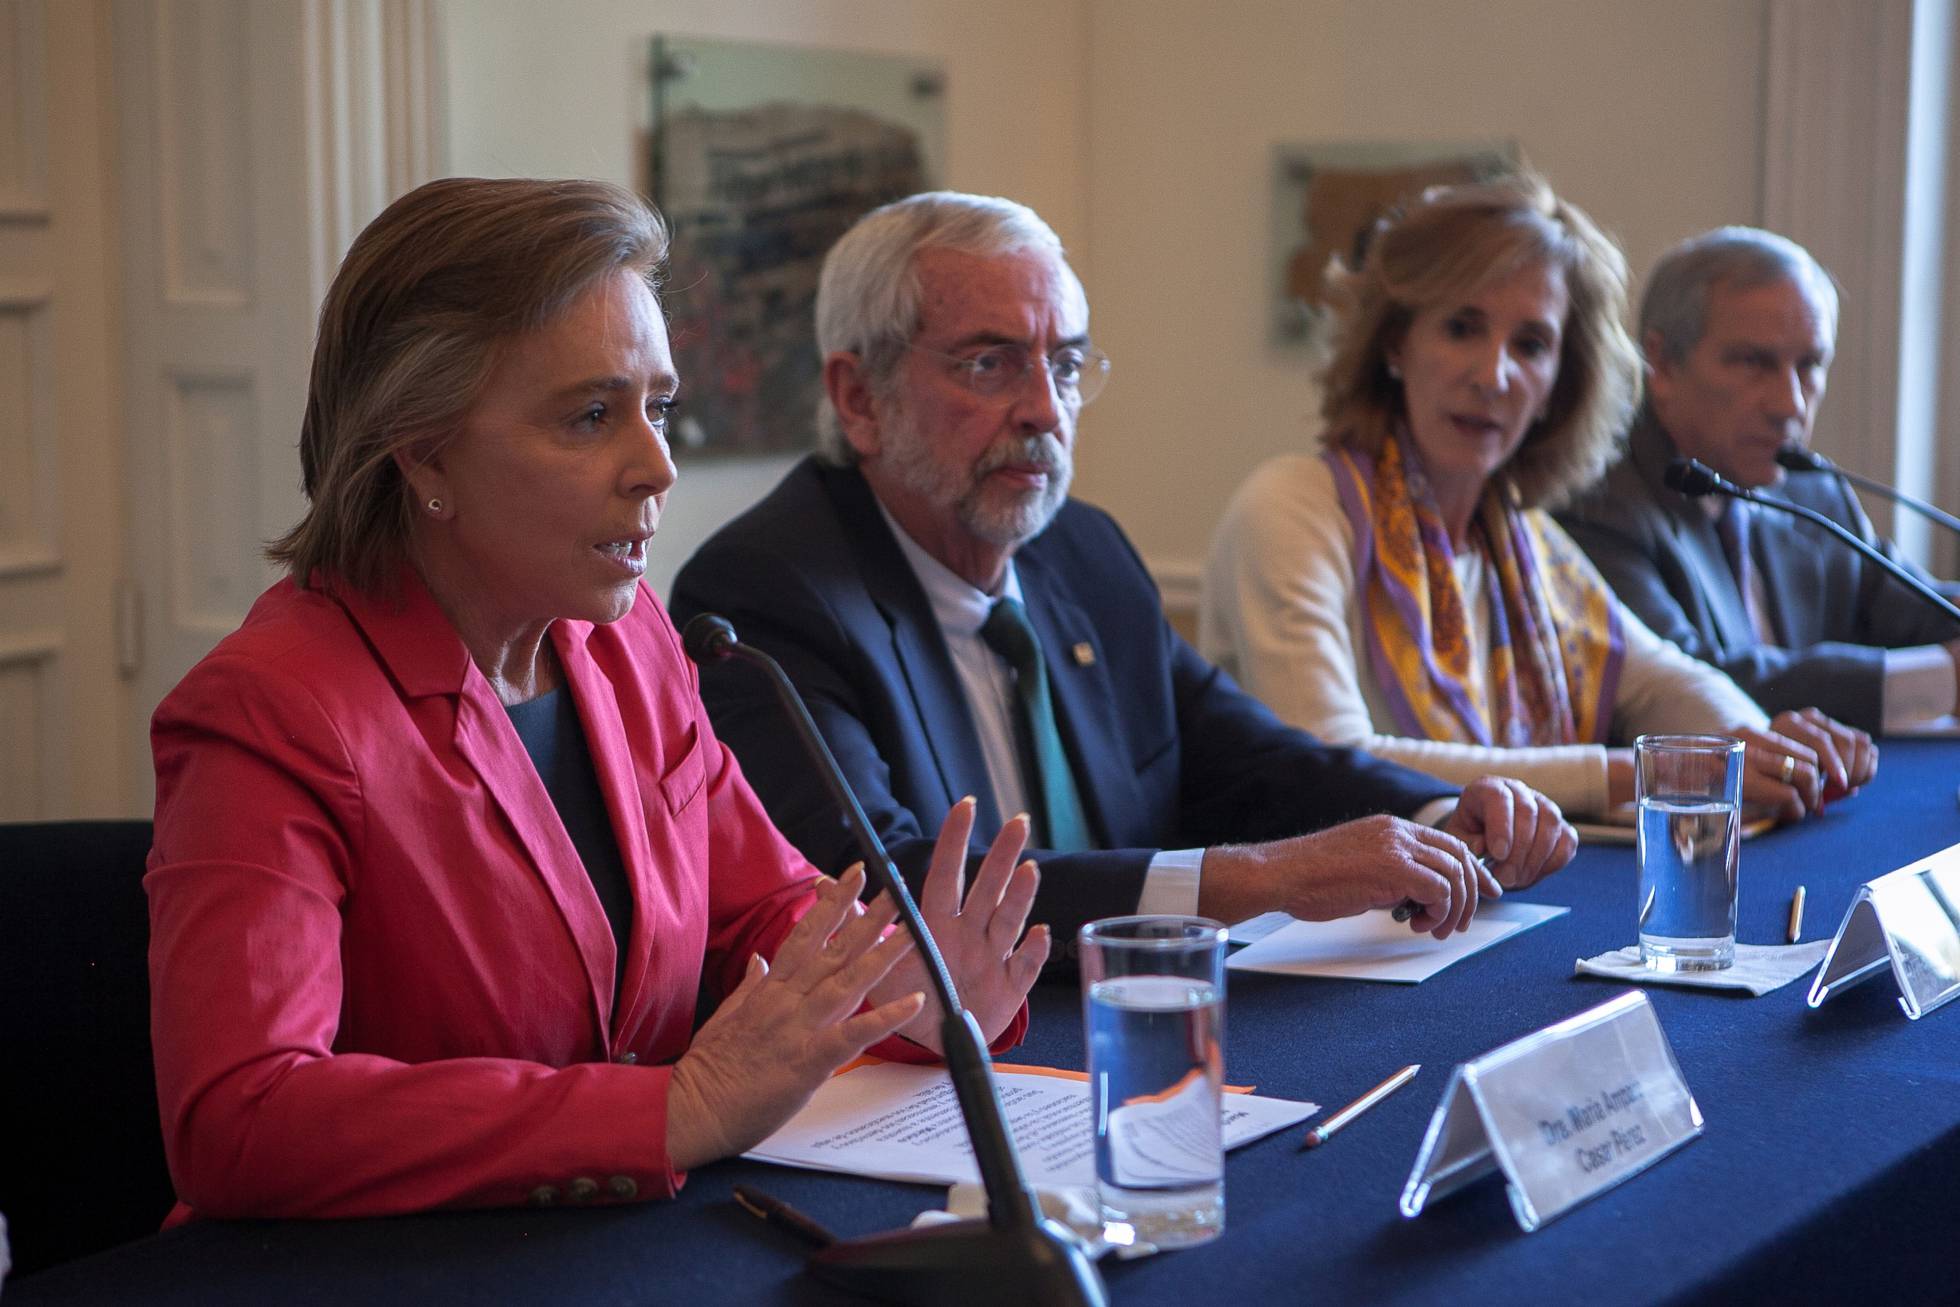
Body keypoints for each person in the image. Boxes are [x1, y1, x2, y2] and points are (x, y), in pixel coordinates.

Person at [145, 178, 1046, 1222]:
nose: (656, 465)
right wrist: (668, 1109)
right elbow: (243, 1116)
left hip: (618, 1248)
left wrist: (914, 998)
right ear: (423, 449)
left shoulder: (627, 641)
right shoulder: (272, 709)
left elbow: (764, 912)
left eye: (657, 406)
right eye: (590, 415)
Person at [671, 190, 1577, 957]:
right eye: (989, 363)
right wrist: (1261, 878)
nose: (1045, 411)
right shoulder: (765, 593)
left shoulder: (1081, 550)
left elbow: (1244, 754)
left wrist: (1434, 814)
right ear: (859, 397)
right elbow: (882, 892)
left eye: (1064, 365)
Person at [1200, 176, 1876, 822]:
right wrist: (1635, 774)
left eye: (1530, 344)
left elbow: (1664, 680)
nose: (1493, 375)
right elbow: (1334, 761)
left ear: (1558, 381)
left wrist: (1754, 745)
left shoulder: (1523, 537)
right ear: (1395, 343)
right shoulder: (1292, 507)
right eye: (1462, 327)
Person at [1557, 226, 1960, 735]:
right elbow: (1694, 687)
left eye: (1810, 365)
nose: (1790, 404)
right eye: (1753, 363)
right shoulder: (1597, 503)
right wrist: (1942, 679)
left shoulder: (1810, 488)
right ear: (1660, 362)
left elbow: (1923, 610)